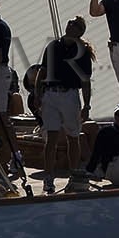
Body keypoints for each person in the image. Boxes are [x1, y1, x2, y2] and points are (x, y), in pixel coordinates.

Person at [37, 17, 93, 193]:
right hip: (51, 94)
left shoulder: (82, 52)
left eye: (75, 24)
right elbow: (43, 71)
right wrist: (38, 94)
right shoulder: (53, 47)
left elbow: (85, 81)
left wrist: (86, 105)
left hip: (70, 95)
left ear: (80, 31)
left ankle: (74, 176)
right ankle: (48, 177)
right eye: (69, 22)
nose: (70, 25)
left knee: (72, 137)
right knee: (51, 138)